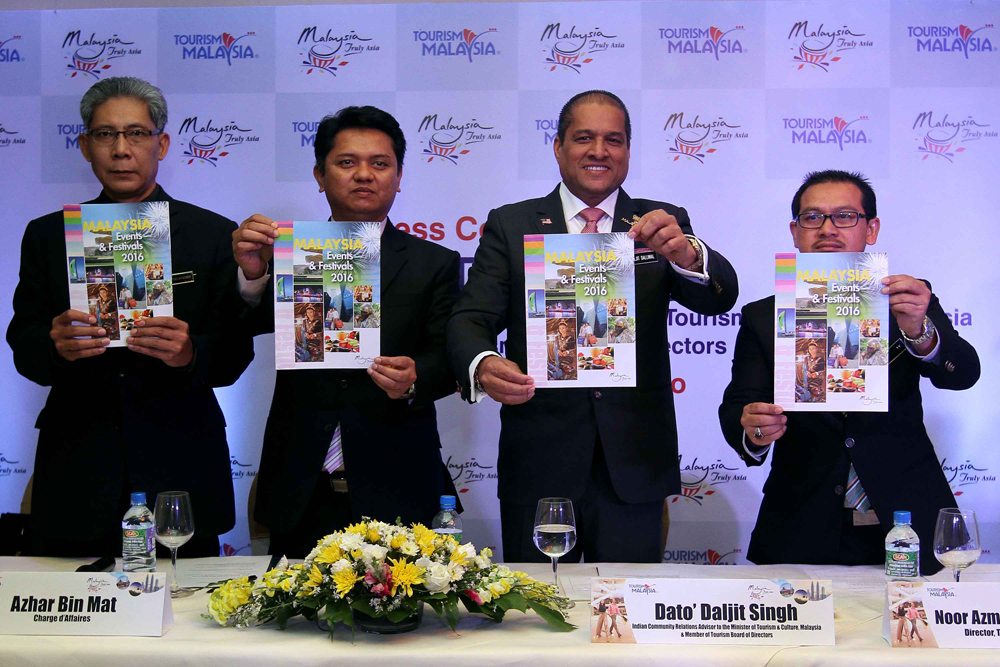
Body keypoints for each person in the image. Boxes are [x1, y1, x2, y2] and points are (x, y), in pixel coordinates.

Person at [447, 90, 738, 563]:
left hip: (635, 462)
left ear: (628, 150)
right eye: (584, 138)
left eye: (613, 140)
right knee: (536, 603)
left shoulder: (661, 223)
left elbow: (718, 300)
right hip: (540, 459)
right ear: (558, 146)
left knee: (628, 604)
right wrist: (482, 363)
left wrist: (687, 254)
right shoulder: (511, 224)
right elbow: (470, 318)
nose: (599, 151)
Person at [7, 76, 253, 557]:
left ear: (161, 144)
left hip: (180, 470)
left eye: (137, 133)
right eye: (106, 134)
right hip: (78, 471)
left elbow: (235, 354)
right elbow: (23, 348)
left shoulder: (211, 234)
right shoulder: (47, 235)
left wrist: (190, 353)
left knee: (186, 604)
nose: (121, 149)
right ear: (85, 146)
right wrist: (54, 347)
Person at [718, 170, 980, 574]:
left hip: (908, 517)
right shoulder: (763, 316)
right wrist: (753, 427)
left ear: (871, 229)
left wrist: (920, 332)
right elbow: (739, 406)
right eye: (812, 217)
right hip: (801, 520)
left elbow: (962, 373)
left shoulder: (908, 301)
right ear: (795, 232)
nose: (827, 229)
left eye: (844, 216)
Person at [231, 106, 461, 559]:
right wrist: (253, 278)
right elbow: (234, 335)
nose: (364, 175)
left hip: (398, 482)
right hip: (300, 486)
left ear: (399, 176)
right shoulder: (286, 256)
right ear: (320, 175)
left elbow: (450, 356)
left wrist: (415, 376)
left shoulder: (434, 263)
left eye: (380, 163)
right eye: (347, 162)